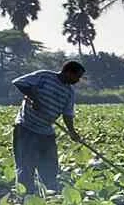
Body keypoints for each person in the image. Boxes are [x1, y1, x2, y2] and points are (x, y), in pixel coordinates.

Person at [12, 61, 84, 194]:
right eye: (77, 77)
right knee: (26, 167)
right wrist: (34, 98)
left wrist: (72, 132)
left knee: (50, 168)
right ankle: (25, 198)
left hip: (46, 132)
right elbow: (19, 82)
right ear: (68, 72)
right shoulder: (44, 76)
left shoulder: (69, 92)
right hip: (26, 128)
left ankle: (50, 196)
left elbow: (67, 114)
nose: (78, 80)